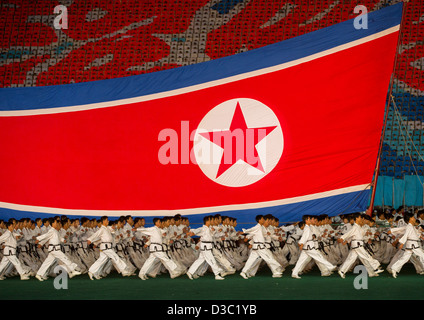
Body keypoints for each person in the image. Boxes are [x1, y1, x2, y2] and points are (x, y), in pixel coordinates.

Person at [337, 213, 384, 278]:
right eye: (360, 218)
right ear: (356, 218)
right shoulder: (354, 227)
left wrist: (369, 234)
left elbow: (359, 235)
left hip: (358, 244)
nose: (361, 219)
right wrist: (342, 238)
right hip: (357, 245)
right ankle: (375, 267)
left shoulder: (358, 227)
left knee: (351, 259)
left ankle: (342, 271)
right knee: (366, 256)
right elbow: (349, 234)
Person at [240, 215, 284, 279]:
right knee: (268, 258)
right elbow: (251, 230)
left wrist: (267, 234)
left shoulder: (261, 227)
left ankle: (243, 272)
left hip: (258, 247)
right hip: (259, 247)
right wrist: (244, 231)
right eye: (263, 219)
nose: (264, 220)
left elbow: (261, 234)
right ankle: (277, 269)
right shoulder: (257, 226)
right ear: (260, 220)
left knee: (251, 260)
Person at [186, 215, 226, 280]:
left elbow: (213, 234)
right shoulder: (203, 228)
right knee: (211, 260)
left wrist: (216, 230)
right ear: (208, 221)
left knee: (200, 260)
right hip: (205, 246)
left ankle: (190, 272)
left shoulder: (209, 228)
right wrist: (192, 232)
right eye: (211, 220)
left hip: (207, 246)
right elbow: (196, 231)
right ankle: (217, 274)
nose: (212, 221)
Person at [389, 212, 424, 278]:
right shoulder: (409, 227)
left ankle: (394, 269)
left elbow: (414, 234)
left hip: (411, 244)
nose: (414, 218)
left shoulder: (411, 226)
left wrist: (420, 236)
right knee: (422, 255)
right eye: (413, 217)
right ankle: (394, 269)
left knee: (404, 258)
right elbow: (406, 235)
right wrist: (402, 243)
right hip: (413, 244)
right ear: (410, 219)